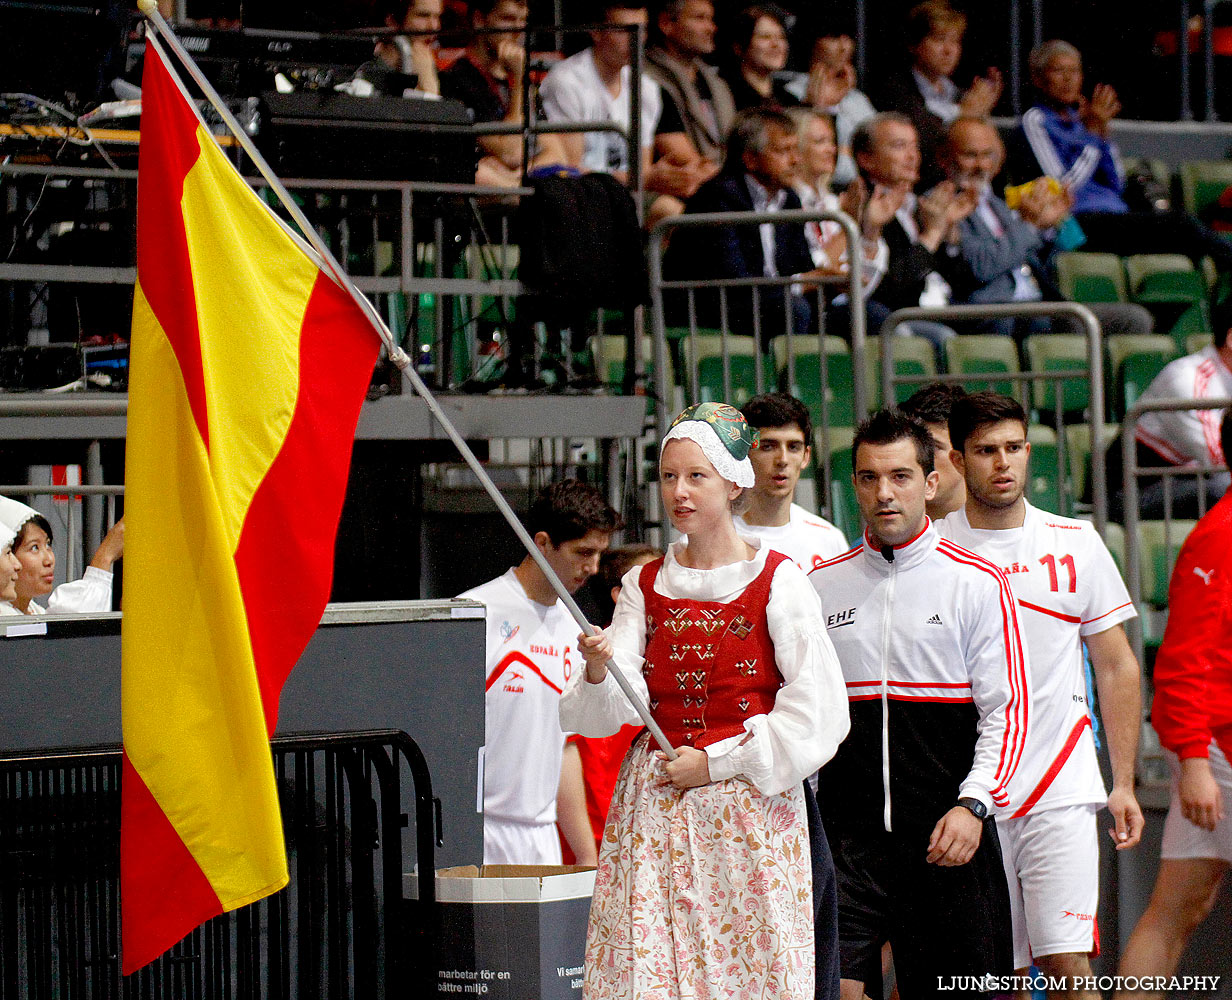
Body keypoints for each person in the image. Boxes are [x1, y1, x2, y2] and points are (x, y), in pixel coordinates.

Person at [560, 401, 849, 1000]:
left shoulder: (780, 580)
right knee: (653, 968)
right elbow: (618, 704)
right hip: (657, 800)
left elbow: (817, 710)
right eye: (669, 477)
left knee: (745, 966)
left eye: (697, 476)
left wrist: (716, 764)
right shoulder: (644, 583)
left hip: (747, 807)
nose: (679, 492)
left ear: (733, 481)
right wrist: (599, 670)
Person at [808, 407, 1027, 999]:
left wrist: (975, 805)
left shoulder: (977, 581)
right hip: (846, 849)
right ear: (853, 483)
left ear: (931, 484)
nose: (885, 493)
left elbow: (1007, 712)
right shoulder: (819, 586)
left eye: (901, 476)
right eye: (869, 477)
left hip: (946, 844)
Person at [938, 392, 1144, 998]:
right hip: (966, 794)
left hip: (1061, 787)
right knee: (980, 977)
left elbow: (1117, 666)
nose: (1002, 463)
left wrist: (1124, 782)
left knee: (1068, 969)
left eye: (1013, 449)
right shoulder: (932, 548)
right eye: (985, 452)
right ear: (955, 460)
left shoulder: (1075, 541)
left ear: (1028, 452)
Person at [1113, 409, 1232, 1000]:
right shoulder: (1218, 537)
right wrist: (1192, 761)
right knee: (1174, 911)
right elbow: (1184, 660)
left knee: (1182, 908)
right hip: (1220, 756)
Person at [458, 479, 621, 866]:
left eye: (600, 554)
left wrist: (586, 858)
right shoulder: (474, 611)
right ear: (542, 542)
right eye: (583, 552)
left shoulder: (575, 628)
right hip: (479, 835)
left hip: (542, 838)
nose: (593, 568)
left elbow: (563, 746)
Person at [1011, 40, 1232, 271]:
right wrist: (1094, 137)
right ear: (1037, 78)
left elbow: (1117, 183)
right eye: (1058, 70)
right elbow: (1062, 187)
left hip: (1116, 217)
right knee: (1183, 225)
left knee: (1191, 239)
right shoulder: (1036, 120)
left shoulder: (1085, 122)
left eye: (1074, 71)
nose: (1068, 79)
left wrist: (1103, 136)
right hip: (1077, 221)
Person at [939, 116, 1154, 339]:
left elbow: (1044, 261)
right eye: (970, 155)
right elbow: (981, 266)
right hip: (997, 313)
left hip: (1039, 304)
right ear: (944, 158)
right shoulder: (941, 206)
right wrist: (1030, 225)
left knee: (1133, 320)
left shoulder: (998, 205)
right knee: (1070, 325)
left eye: (987, 155)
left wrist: (1051, 226)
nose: (981, 165)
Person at [662, 108, 825, 342]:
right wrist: (801, 286)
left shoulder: (789, 199)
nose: (795, 160)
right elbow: (733, 278)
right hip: (713, 307)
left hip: (772, 302)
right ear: (750, 159)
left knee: (859, 313)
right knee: (793, 308)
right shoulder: (718, 197)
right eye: (783, 151)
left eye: (795, 149)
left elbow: (800, 263)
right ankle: (789, 380)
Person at [561, 543, 660, 862]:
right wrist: (587, 855)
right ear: (623, 594)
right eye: (655, 582)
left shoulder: (668, 659)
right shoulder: (587, 662)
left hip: (651, 838)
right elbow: (568, 753)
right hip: (596, 845)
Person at [854, 112, 975, 355]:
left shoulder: (920, 206)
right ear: (866, 159)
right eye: (899, 146)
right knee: (946, 341)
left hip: (942, 309)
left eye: (915, 147)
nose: (912, 157)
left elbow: (965, 280)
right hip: (898, 316)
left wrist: (948, 231)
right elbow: (891, 290)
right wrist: (932, 234)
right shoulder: (862, 206)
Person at [1110, 304, 1232, 519]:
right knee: (1223, 485)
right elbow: (1220, 460)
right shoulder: (1188, 379)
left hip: (1188, 479)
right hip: (1134, 492)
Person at [438, 0, 568, 186]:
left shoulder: (520, 77)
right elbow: (512, 153)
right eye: (507, 18)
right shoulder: (456, 80)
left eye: (522, 20)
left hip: (520, 187)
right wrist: (518, 83)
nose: (518, 30)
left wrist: (522, 176)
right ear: (479, 20)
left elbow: (557, 154)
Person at [874, 1, 1002, 189]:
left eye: (955, 41)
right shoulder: (896, 93)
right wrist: (964, 117)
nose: (949, 51)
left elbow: (994, 161)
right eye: (940, 39)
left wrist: (981, 120)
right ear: (914, 44)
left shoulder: (959, 94)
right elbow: (925, 155)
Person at [738, 392, 850, 573]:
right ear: (744, 453)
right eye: (768, 446)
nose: (782, 460)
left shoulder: (829, 540)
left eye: (793, 447)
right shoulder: (714, 539)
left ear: (806, 457)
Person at [787, 107, 894, 295]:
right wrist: (848, 223)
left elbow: (863, 284)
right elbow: (815, 270)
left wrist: (871, 232)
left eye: (832, 141)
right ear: (796, 147)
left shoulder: (833, 203)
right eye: (820, 141)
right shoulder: (789, 203)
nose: (832, 149)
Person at [648, 0, 734, 178]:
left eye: (711, 19)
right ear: (667, 23)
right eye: (699, 18)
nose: (711, 28)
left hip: (725, 182)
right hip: (686, 184)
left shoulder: (718, 84)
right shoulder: (648, 79)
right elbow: (679, 156)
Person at [784, 26, 876, 187]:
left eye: (847, 38)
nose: (844, 46)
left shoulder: (858, 99)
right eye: (833, 38)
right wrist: (819, 106)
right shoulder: (793, 93)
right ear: (813, 43)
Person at [0, 496, 123, 616]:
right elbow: (72, 627)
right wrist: (105, 556)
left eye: (48, 544)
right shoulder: (4, 616)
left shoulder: (35, 610)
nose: (49, 560)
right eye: (34, 547)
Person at [899, 380, 968, 520]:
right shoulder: (875, 541)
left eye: (933, 447)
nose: (919, 458)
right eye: (913, 447)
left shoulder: (1008, 534)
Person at [721, 4, 800, 111]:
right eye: (765, 37)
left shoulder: (790, 101)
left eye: (781, 37)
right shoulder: (725, 95)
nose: (776, 44)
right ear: (739, 47)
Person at [368, 0, 443, 96]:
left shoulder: (435, 70)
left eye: (437, 16)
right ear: (392, 20)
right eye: (423, 15)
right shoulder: (366, 73)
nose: (434, 26)